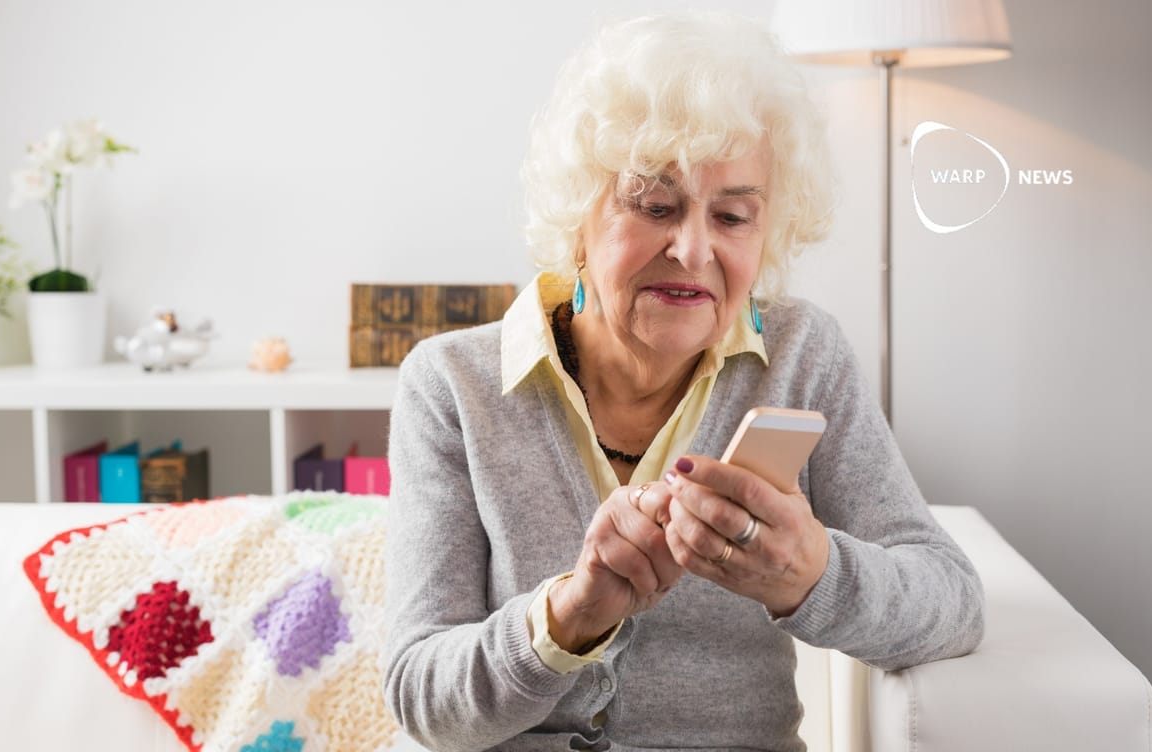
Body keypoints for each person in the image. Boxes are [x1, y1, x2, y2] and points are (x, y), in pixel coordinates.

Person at [383, 12, 984, 752]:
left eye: (733, 215)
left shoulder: (803, 357)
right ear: (577, 216)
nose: (694, 249)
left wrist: (812, 574)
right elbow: (420, 699)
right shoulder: (451, 386)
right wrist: (567, 619)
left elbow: (952, 602)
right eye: (654, 205)